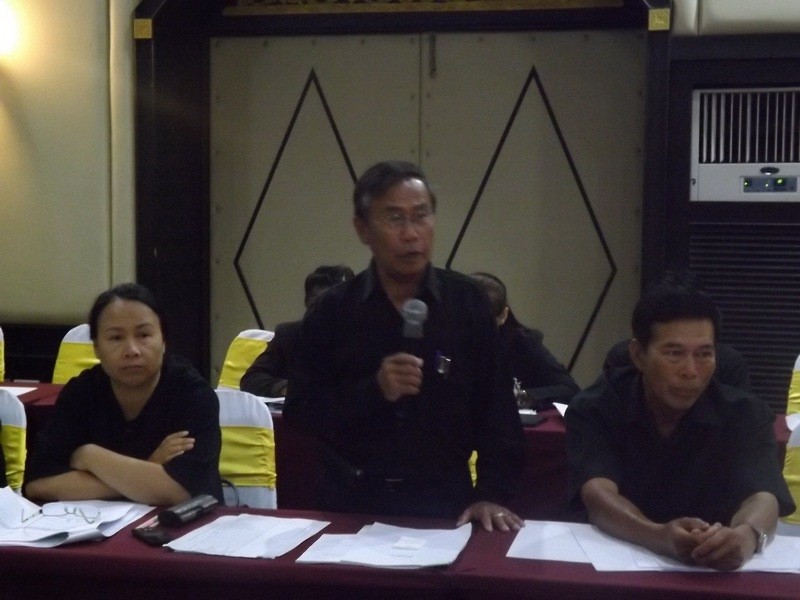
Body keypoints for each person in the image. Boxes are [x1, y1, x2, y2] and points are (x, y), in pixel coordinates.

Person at [284, 160, 525, 531]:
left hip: (446, 503)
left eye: (421, 216)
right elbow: (301, 413)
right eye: (395, 219)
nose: (411, 234)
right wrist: (374, 390)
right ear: (362, 229)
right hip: (352, 502)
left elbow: (498, 414)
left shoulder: (467, 303)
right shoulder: (333, 311)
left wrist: (491, 493)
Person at [565, 273, 794, 571]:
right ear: (638, 355)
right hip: (616, 565)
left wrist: (747, 536)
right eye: (674, 354)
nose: (690, 371)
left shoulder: (745, 413)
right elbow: (597, 493)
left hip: (712, 568)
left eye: (704, 354)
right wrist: (657, 536)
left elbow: (763, 496)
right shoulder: (596, 407)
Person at [25, 283, 222, 505]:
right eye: (116, 338)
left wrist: (91, 456)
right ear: (96, 347)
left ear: (164, 341)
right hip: (95, 523)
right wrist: (148, 467)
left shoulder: (192, 395)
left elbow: (182, 490)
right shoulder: (81, 393)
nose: (132, 350)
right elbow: (38, 485)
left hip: (179, 523)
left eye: (144, 335)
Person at [240, 264, 354, 398]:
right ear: (307, 304)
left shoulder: (364, 337)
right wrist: (287, 388)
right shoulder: (289, 335)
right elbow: (251, 379)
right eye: (317, 305)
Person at [470, 272, 579, 409]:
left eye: (483, 322)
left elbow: (569, 389)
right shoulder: (449, 338)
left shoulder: (522, 343)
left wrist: (521, 397)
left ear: (503, 316)